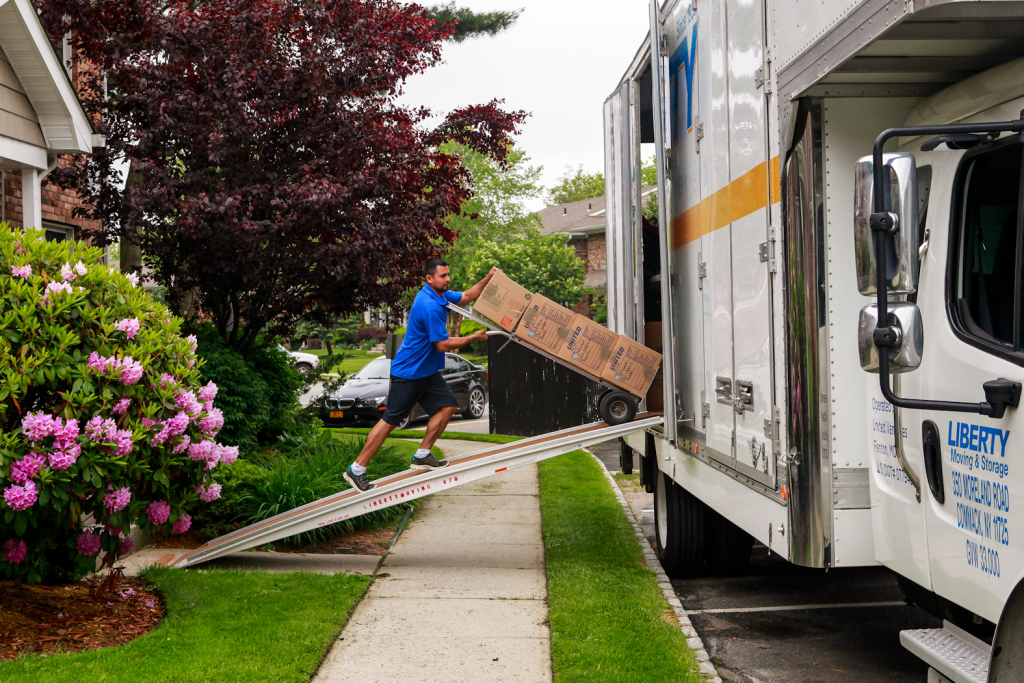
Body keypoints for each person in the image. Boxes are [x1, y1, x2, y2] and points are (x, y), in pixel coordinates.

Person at [343, 258, 501, 492]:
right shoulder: (429, 305)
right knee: (390, 421)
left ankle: (422, 455)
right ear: (429, 278)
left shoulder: (440, 295)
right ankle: (356, 470)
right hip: (409, 373)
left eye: (448, 274)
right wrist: (472, 338)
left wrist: (488, 278)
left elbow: (468, 296)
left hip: (426, 372)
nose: (447, 279)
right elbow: (442, 344)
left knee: (448, 406)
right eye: (442, 276)